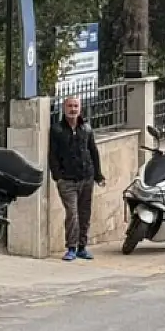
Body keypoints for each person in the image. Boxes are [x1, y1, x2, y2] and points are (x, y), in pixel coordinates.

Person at [48, 94, 104, 261]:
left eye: (76, 106)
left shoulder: (86, 128)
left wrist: (98, 175)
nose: (73, 109)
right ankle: (71, 247)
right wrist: (57, 175)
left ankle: (82, 247)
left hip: (86, 177)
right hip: (67, 180)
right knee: (72, 213)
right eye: (70, 106)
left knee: (84, 213)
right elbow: (53, 155)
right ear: (64, 109)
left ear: (80, 109)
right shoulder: (57, 130)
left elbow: (93, 151)